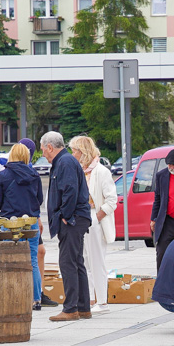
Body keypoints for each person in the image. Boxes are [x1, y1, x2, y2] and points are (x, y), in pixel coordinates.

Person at [41, 131, 92, 322]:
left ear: (50, 147)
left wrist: (65, 215)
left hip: (72, 220)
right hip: (75, 219)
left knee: (67, 263)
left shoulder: (65, 162)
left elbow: (69, 190)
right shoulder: (65, 161)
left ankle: (71, 309)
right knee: (76, 262)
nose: (42, 153)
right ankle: (82, 307)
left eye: (43, 148)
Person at [0, 143, 45, 310]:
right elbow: (40, 200)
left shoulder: (2, 176)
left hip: (10, 223)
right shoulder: (35, 175)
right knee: (32, 262)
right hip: (31, 222)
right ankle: (36, 299)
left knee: (9, 261)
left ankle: (13, 297)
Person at [69, 135, 117, 315]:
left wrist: (96, 218)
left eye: (75, 150)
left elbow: (112, 201)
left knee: (97, 261)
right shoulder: (79, 170)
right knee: (84, 261)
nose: (72, 154)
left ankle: (102, 302)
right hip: (81, 218)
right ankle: (88, 299)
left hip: (94, 219)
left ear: (83, 152)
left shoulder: (101, 171)